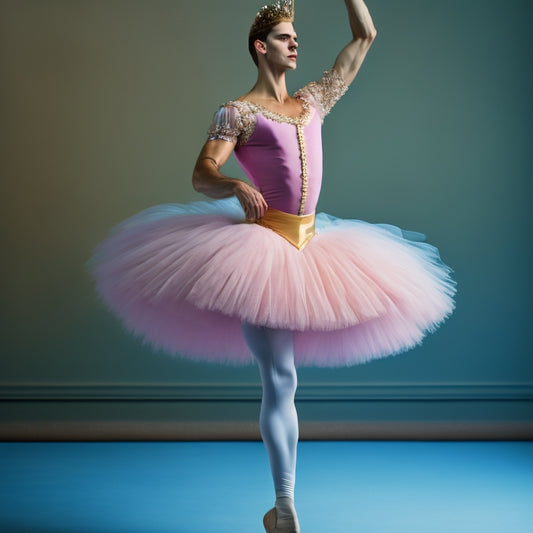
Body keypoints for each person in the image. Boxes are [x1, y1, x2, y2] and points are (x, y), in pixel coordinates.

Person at [90, 1, 456, 531]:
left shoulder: (312, 102)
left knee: (287, 381)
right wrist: (234, 184)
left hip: (317, 247)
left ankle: (282, 506)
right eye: (285, 38)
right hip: (263, 253)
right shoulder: (237, 113)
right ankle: (284, 505)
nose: (295, 44)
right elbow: (201, 173)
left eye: (296, 37)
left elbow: (365, 37)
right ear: (261, 47)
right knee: (280, 378)